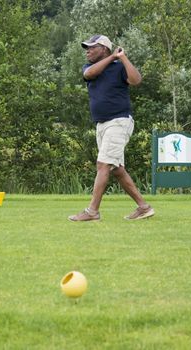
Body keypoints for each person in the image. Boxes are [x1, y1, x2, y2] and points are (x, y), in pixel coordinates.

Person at [68, 34, 154, 222]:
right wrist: (113, 57)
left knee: (104, 164)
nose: (88, 51)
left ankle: (92, 211)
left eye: (92, 47)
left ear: (104, 49)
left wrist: (122, 58)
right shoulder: (90, 68)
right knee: (116, 169)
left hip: (119, 121)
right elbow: (88, 75)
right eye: (87, 48)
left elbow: (136, 80)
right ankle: (144, 207)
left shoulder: (119, 68)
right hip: (102, 124)